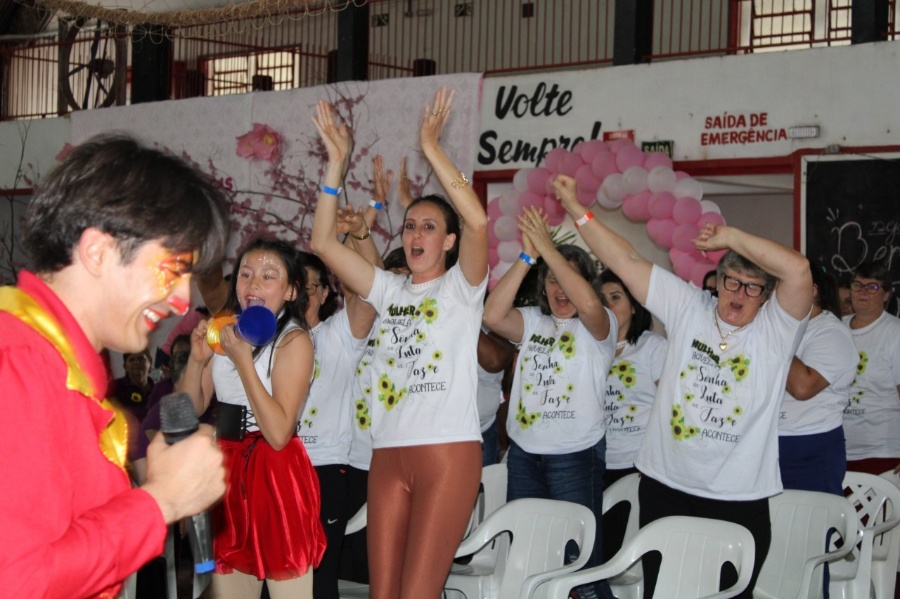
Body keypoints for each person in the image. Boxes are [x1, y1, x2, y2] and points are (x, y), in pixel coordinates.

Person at [550, 173, 813, 599]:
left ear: (766, 295)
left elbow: (798, 268)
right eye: (732, 281)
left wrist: (731, 236)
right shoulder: (689, 306)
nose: (739, 294)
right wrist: (577, 209)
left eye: (752, 287)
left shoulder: (775, 330)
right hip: (666, 488)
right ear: (718, 282)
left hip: (739, 496)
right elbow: (627, 260)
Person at [0, 133, 228, 598]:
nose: (182, 300)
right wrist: (161, 501)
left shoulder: (60, 367)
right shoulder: (19, 364)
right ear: (98, 251)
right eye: (172, 270)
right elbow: (18, 580)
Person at [310, 88, 488, 599]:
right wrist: (336, 164)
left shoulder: (462, 289)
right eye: (410, 226)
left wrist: (431, 147)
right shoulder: (388, 289)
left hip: (447, 454)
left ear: (449, 242)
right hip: (386, 455)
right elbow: (322, 243)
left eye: (429, 228)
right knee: (381, 594)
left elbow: (478, 220)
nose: (416, 235)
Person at [183, 238, 326, 599]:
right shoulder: (225, 330)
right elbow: (192, 407)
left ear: (291, 290)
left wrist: (244, 360)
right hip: (226, 469)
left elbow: (278, 433)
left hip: (274, 473)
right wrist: (197, 361)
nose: (254, 284)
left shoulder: (294, 340)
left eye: (268, 275)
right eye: (246, 274)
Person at [299, 249, 377, 599]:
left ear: (325, 293)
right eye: (295, 285)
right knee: (275, 576)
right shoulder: (269, 339)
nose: (303, 294)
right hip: (278, 465)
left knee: (321, 577)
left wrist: (354, 236)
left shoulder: (339, 333)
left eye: (310, 287)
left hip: (325, 467)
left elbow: (370, 291)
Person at [595, 269, 666, 560]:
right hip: (594, 463)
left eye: (616, 297)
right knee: (590, 551)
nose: (608, 305)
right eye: (601, 299)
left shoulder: (653, 347)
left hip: (637, 466)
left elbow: (669, 408)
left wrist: (652, 461)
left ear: (634, 306)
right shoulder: (589, 346)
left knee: (623, 554)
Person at [778, 261, 857, 494]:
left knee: (812, 516)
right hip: (769, 442)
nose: (773, 295)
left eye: (780, 286)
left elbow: (803, 387)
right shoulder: (782, 327)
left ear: (811, 291)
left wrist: (776, 334)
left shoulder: (831, 332)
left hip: (810, 446)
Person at [842, 261, 900, 476]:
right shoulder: (835, 327)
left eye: (872, 287)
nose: (862, 292)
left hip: (882, 451)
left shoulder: (895, 333)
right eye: (857, 285)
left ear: (886, 295)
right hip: (836, 449)